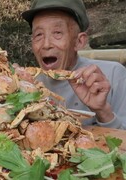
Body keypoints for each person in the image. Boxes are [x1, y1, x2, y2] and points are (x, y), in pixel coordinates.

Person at [17, 0, 126, 129]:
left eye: (57, 33)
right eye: (38, 35)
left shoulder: (113, 75)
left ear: (79, 42)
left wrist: (102, 111)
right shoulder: (27, 83)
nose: (46, 45)